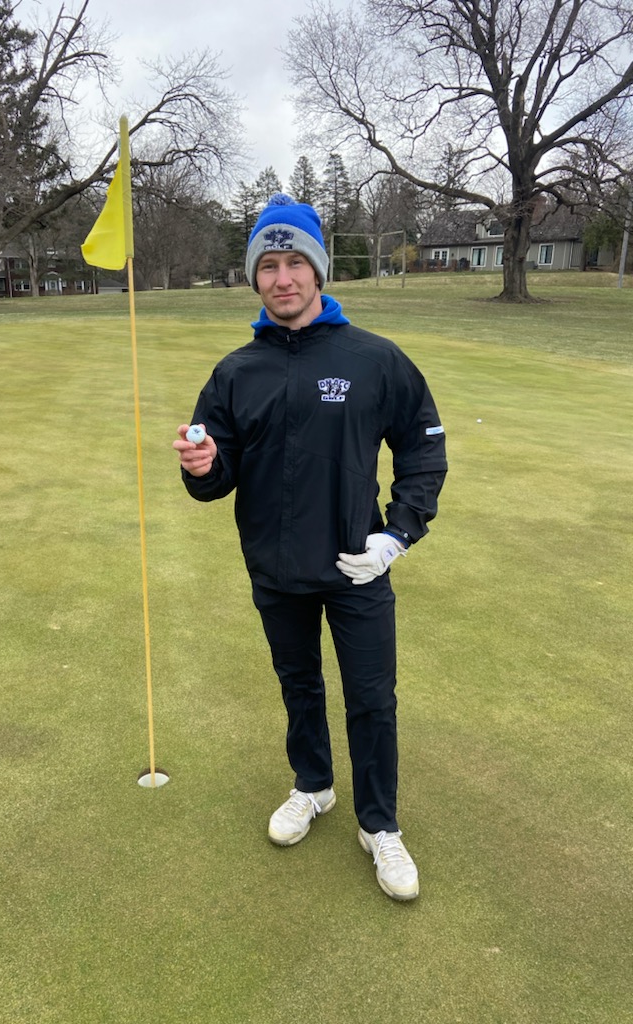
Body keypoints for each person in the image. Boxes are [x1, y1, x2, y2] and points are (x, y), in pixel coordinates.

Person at [173, 194, 447, 901]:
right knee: (298, 685)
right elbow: (215, 478)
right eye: (268, 265)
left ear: (319, 270)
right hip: (274, 567)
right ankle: (314, 784)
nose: (283, 277)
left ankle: (379, 825)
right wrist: (200, 468)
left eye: (295, 262)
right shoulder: (236, 372)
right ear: (254, 278)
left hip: (358, 568)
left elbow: (423, 449)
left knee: (372, 698)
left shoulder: (374, 359)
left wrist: (396, 534)